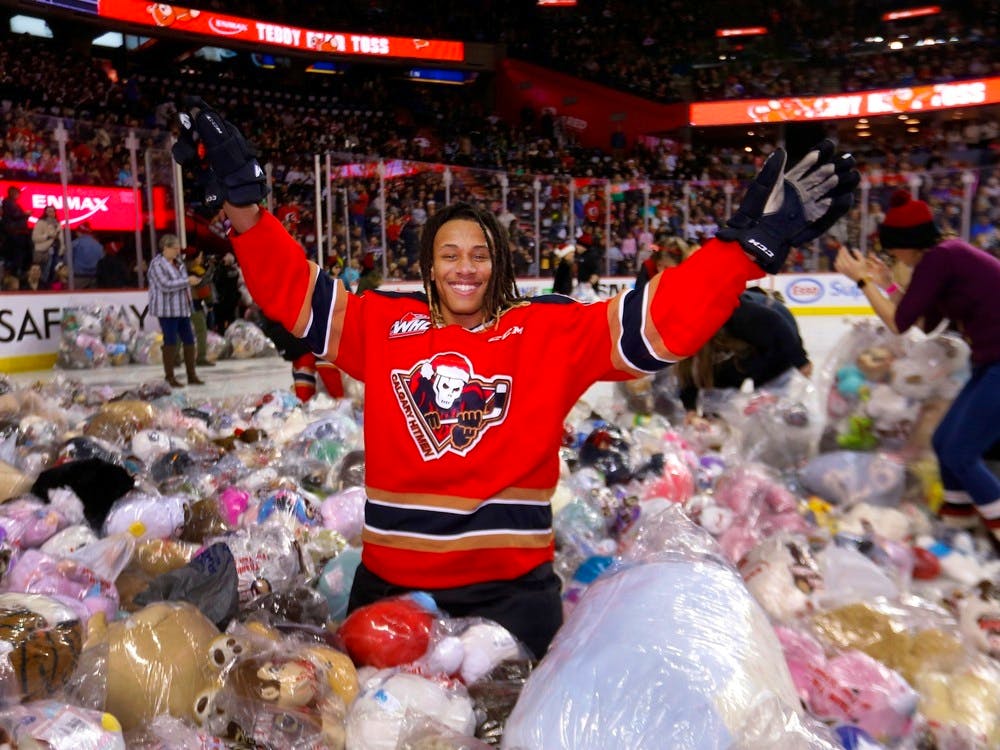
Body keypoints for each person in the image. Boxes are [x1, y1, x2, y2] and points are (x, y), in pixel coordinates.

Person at [174, 102, 857, 657]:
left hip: (514, 595)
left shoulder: (548, 331)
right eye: (450, 254)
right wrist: (245, 213)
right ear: (430, 266)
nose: (465, 267)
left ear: (499, 266)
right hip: (389, 586)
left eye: (480, 254)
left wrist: (740, 254)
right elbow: (292, 291)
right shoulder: (382, 326)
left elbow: (659, 325)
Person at [835, 190, 1000, 544]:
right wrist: (886, 285)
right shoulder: (943, 259)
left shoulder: (941, 258)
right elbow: (922, 322)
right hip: (990, 360)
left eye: (892, 248)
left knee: (962, 452)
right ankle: (958, 525)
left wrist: (863, 282)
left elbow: (897, 323)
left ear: (906, 244)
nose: (891, 255)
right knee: (943, 442)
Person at [675, 289, 812, 412]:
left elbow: (776, 326)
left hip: (774, 340)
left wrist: (801, 360)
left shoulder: (736, 312)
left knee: (767, 404)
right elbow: (687, 371)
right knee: (717, 398)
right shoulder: (688, 335)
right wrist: (691, 409)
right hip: (740, 347)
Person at [147, 233, 203, 388]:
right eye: (175, 248)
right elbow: (165, 285)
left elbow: (181, 285)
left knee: (189, 340)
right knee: (170, 341)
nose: (178, 251)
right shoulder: (157, 265)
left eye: (178, 248)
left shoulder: (179, 263)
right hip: (167, 310)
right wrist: (187, 281)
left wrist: (192, 284)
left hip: (182, 309)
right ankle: (169, 376)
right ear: (165, 248)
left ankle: (192, 375)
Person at [184, 246, 216, 367]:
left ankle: (176, 357)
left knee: (179, 331)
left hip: (179, 305)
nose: (201, 259)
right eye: (200, 256)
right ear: (196, 258)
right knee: (201, 330)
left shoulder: (180, 269)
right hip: (194, 305)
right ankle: (201, 357)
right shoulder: (197, 270)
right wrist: (210, 304)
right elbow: (204, 289)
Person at [31, 205, 61, 281]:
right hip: (44, 252)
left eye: (53, 211)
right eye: (49, 211)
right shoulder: (41, 223)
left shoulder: (58, 224)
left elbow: (61, 238)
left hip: (56, 251)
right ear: (45, 212)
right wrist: (48, 236)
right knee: (44, 273)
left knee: (55, 273)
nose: (51, 213)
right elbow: (35, 238)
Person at [70, 223, 103, 289]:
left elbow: (67, 259)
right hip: (94, 277)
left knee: (76, 298)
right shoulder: (99, 245)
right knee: (92, 298)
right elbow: (102, 261)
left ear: (78, 232)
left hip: (78, 277)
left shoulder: (75, 243)